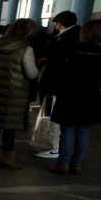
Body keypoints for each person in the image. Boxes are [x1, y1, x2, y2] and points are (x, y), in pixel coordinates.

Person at [47, 20, 101, 175]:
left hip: (70, 92)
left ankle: (62, 164)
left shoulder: (74, 48)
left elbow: (62, 69)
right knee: (83, 129)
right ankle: (76, 164)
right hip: (91, 93)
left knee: (67, 129)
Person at [0, 18, 39, 169]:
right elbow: (31, 73)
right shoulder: (26, 48)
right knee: (9, 127)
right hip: (15, 93)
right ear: (28, 31)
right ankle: (8, 159)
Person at [36, 10, 80, 158]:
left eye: (55, 23)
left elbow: (59, 60)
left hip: (56, 85)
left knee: (53, 115)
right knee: (49, 113)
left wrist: (46, 60)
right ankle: (50, 144)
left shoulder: (68, 37)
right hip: (56, 85)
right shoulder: (73, 35)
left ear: (59, 23)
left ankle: (54, 146)